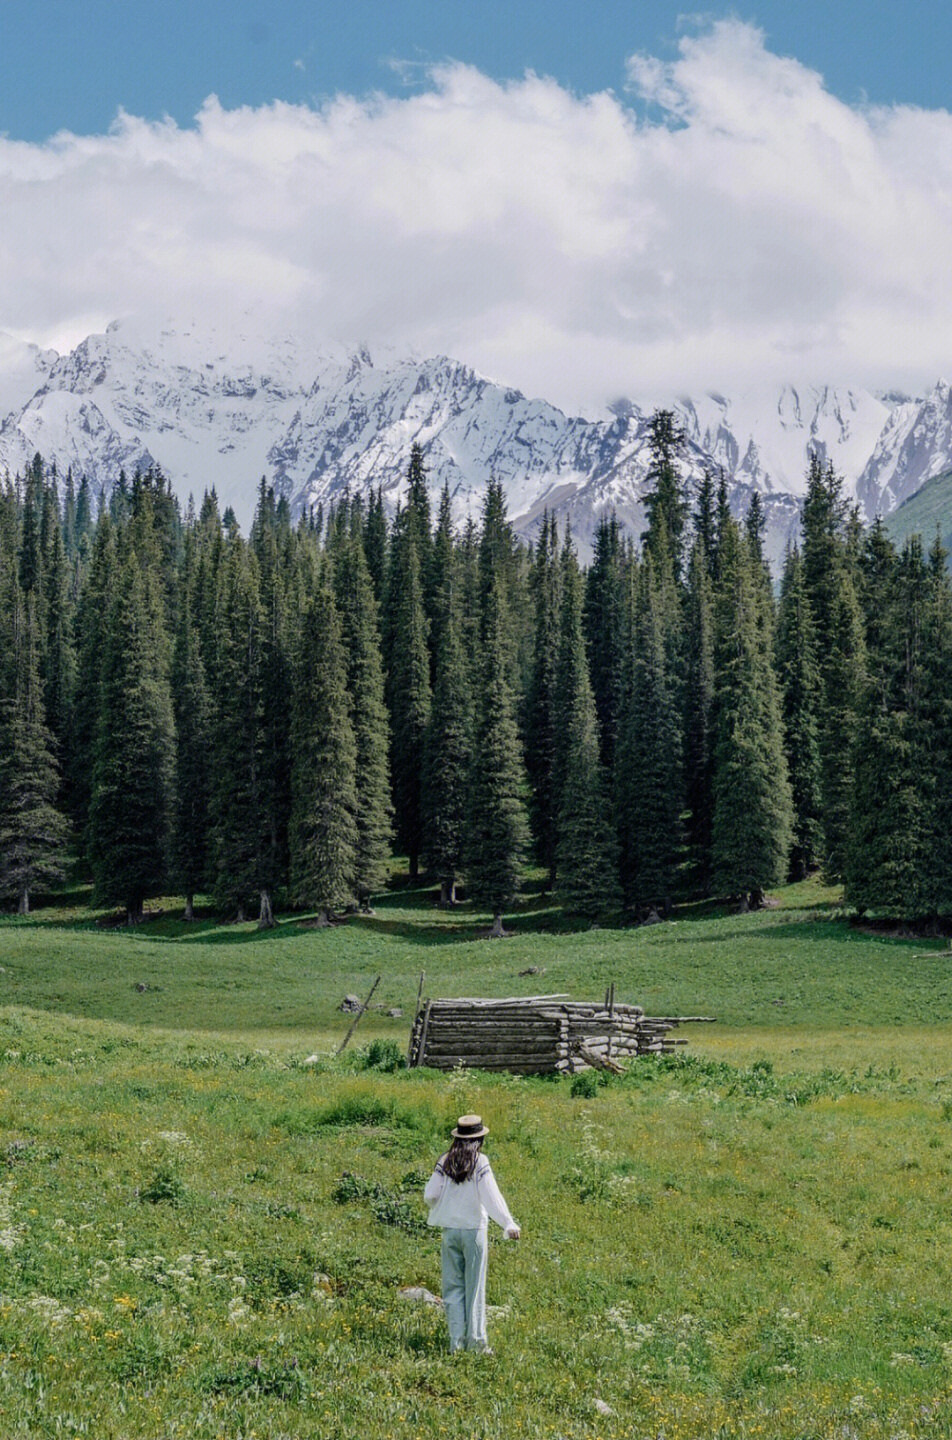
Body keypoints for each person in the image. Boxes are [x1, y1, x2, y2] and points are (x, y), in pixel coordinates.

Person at [424, 1114, 520, 1354]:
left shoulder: (445, 1161)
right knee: (474, 1286)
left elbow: (430, 1195)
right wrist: (507, 1222)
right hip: (473, 1230)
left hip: (450, 1230)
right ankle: (476, 1343)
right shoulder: (480, 1161)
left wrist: (447, 1205)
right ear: (479, 1139)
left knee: (453, 1287)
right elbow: (491, 1196)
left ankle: (455, 1344)